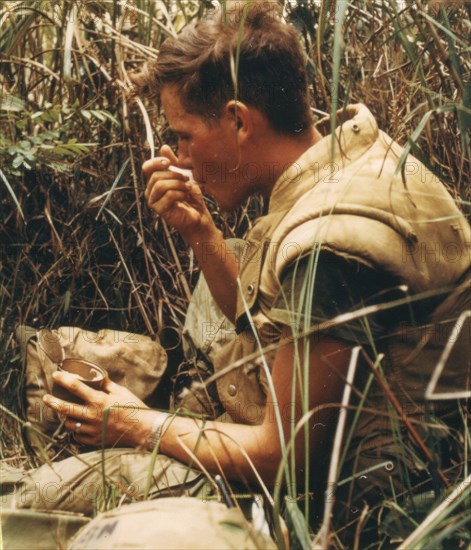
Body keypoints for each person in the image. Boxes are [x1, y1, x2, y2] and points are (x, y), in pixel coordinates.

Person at [6, 3, 471, 545]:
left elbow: (286, 462)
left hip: (338, 498)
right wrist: (200, 233)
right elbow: (269, 323)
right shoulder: (354, 153)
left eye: (183, 136)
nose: (179, 159)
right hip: (319, 421)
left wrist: (133, 424)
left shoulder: (328, 243)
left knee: (30, 501)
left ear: (239, 120)